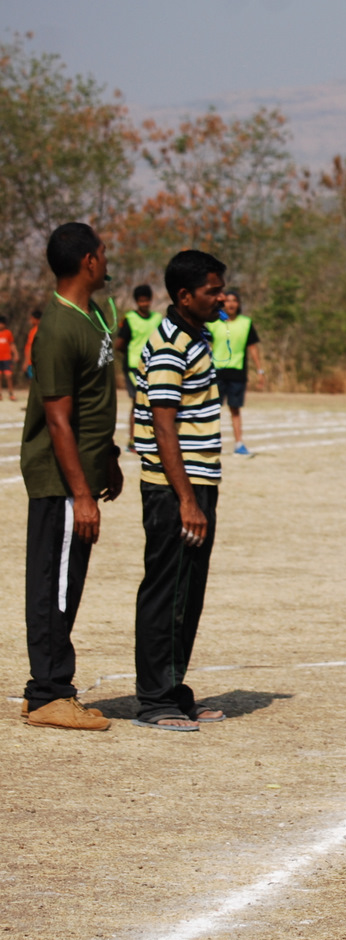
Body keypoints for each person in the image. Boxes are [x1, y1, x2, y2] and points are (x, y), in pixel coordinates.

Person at [18, 223, 121, 731]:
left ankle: (45, 690)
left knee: (66, 584)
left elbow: (94, 402)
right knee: (53, 587)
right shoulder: (58, 327)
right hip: (60, 482)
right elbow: (58, 420)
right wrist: (81, 494)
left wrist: (109, 459)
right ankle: (49, 694)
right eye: (103, 252)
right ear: (87, 261)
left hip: (82, 476)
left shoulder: (94, 315)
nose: (107, 259)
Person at [130, 250, 228, 732]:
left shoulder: (197, 338)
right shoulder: (170, 345)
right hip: (173, 491)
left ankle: (173, 690)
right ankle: (154, 701)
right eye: (212, 290)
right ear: (185, 296)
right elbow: (163, 427)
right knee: (166, 589)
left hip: (198, 484)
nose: (221, 297)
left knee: (188, 592)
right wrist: (186, 499)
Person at [206, 289, 263, 456]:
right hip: (216, 371)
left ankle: (239, 444)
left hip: (237, 371)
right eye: (228, 301)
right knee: (213, 409)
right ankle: (209, 442)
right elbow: (205, 345)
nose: (231, 304)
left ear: (239, 304)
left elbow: (253, 347)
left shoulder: (246, 323)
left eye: (234, 301)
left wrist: (260, 370)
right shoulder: (213, 323)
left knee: (235, 409)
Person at [113, 284, 162, 450]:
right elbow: (119, 344)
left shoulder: (157, 319)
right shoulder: (130, 319)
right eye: (141, 301)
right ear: (136, 301)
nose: (144, 304)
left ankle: (153, 437)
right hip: (134, 367)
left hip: (154, 366)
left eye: (146, 300)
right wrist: (132, 356)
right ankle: (133, 440)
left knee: (154, 402)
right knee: (138, 401)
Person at [22, 309, 42, 380]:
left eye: (31, 319)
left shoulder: (34, 331)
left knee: (33, 381)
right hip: (38, 361)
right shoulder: (42, 329)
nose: (30, 321)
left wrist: (26, 362)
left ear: (35, 319)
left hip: (32, 362)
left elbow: (31, 347)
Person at [0, 314, 15, 401]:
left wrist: (15, 353)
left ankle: (11, 393)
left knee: (8, 376)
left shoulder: (8, 333)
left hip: (6, 358)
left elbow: (12, 344)